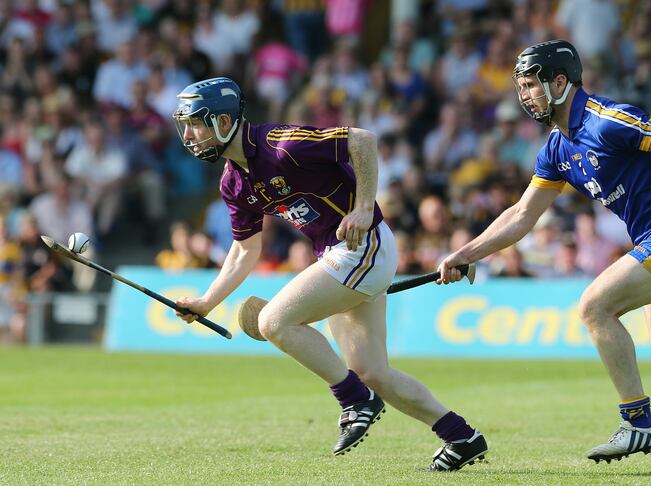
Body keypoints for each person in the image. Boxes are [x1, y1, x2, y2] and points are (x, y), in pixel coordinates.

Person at [437, 40, 651, 471]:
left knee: (595, 307)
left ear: (560, 82)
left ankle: (638, 421)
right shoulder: (556, 148)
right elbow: (520, 216)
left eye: (531, 85)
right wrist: (466, 253)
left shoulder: (604, 120)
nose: (524, 95)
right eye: (520, 87)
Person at [171, 77, 487, 470]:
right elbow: (244, 250)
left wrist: (363, 206)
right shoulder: (234, 183)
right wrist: (206, 302)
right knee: (372, 371)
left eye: (195, 123)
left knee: (274, 321)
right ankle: (461, 437)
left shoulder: (280, 144)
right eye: (184, 124)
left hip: (363, 245)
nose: (189, 134)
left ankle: (355, 400)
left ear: (222, 121)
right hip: (339, 256)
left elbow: (363, 140)